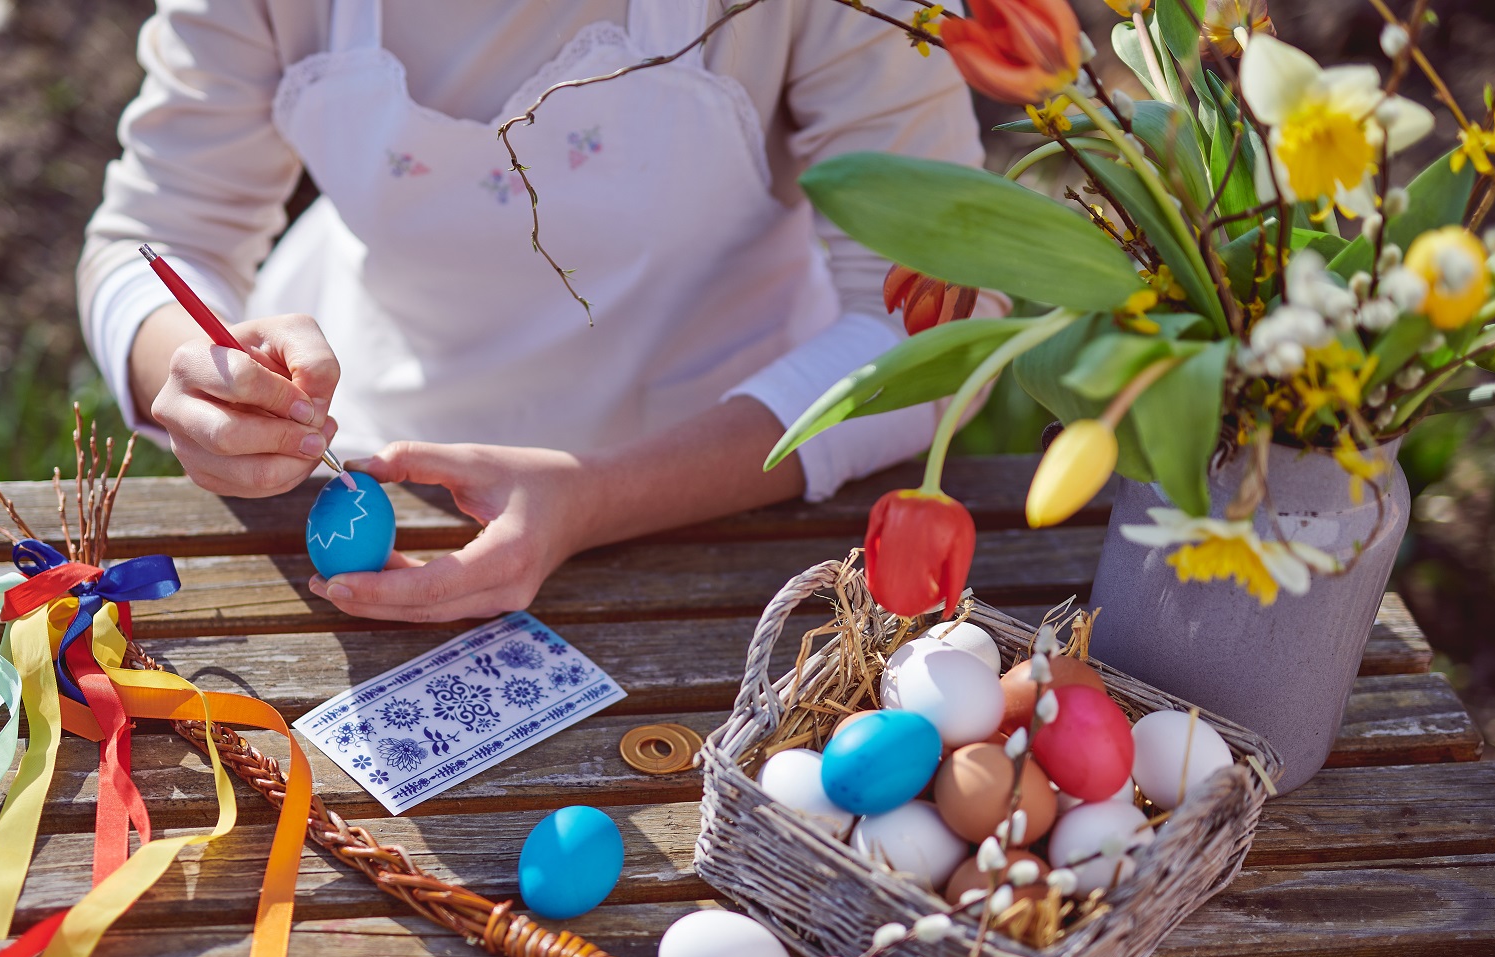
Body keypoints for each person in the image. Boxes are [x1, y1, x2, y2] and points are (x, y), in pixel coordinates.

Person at [80, 0, 992, 623]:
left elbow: (937, 331)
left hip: (731, 503)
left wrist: (599, 497)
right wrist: (197, 382)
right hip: (364, 465)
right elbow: (154, 236)